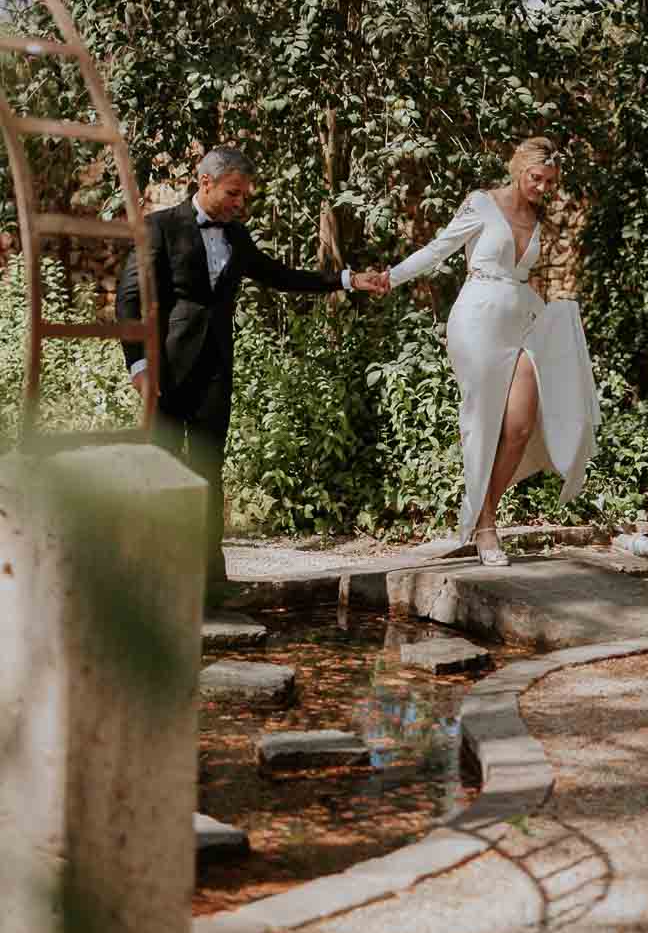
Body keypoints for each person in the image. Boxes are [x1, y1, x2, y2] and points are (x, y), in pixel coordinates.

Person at [116, 145, 385, 605]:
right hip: (164, 371)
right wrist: (138, 365)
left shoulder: (237, 238)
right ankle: (154, 575)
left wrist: (346, 280)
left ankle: (210, 581)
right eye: (233, 193)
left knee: (208, 471)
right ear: (205, 183)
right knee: (159, 469)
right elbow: (129, 298)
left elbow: (281, 275)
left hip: (217, 372)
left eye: (245, 196)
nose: (241, 203)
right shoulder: (160, 226)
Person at [379, 137, 599, 566]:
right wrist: (392, 276)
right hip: (477, 321)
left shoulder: (539, 219)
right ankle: (485, 527)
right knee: (481, 423)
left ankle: (484, 517)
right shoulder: (481, 204)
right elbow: (438, 248)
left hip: (522, 324)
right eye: (537, 178)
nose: (542, 187)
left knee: (518, 425)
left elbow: (528, 277)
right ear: (518, 169)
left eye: (550, 182)